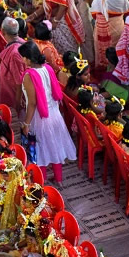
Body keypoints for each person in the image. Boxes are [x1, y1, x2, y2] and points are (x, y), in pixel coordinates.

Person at [20, 40, 77, 185]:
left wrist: (26, 123)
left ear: (27, 58)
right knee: (55, 145)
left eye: (22, 57)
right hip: (54, 114)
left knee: (40, 148)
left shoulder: (29, 75)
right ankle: (59, 180)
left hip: (40, 117)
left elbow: (32, 103)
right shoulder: (47, 68)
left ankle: (42, 181)